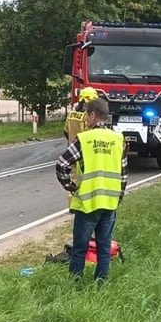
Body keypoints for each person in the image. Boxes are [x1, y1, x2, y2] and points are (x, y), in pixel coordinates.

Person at [55, 98, 127, 282]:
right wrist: (118, 197)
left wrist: (70, 186)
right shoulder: (119, 139)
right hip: (110, 202)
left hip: (88, 202)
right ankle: (100, 284)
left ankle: (75, 284)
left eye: (87, 115)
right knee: (104, 247)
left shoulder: (85, 139)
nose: (85, 119)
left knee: (80, 247)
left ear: (93, 115)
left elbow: (62, 164)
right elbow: (123, 174)